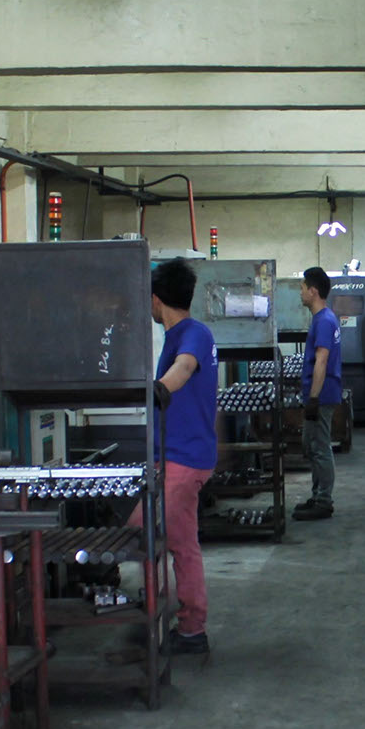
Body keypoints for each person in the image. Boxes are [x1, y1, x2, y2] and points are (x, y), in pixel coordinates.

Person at [149, 259, 219, 654]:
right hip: (176, 455)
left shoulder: (193, 334)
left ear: (156, 300)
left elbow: (185, 366)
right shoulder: (178, 334)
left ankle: (190, 628)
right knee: (177, 540)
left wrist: (159, 389)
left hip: (185, 457)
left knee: (162, 538)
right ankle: (186, 623)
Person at [294, 266, 342, 520]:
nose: (300, 292)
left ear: (313, 291)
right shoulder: (324, 318)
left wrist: (313, 398)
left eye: (302, 288)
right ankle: (317, 495)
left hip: (321, 395)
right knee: (312, 446)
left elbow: (321, 361)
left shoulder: (324, 321)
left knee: (320, 447)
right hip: (320, 393)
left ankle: (324, 500)